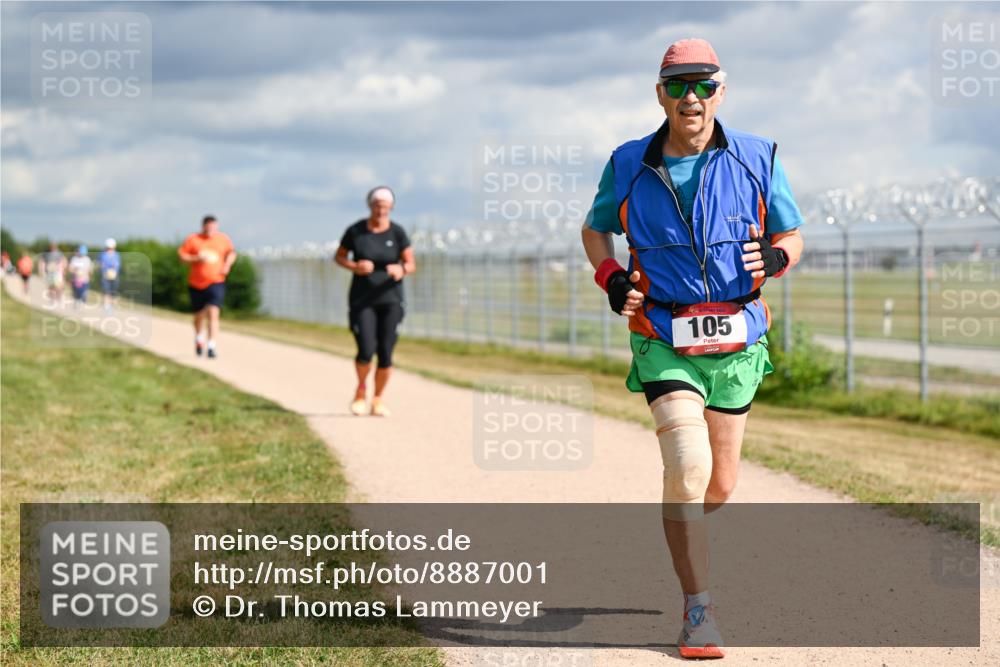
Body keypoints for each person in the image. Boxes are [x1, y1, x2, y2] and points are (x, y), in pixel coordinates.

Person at [581, 39, 804, 660]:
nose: (691, 97)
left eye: (703, 85)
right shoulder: (629, 162)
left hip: (737, 340)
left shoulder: (758, 157)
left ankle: (680, 528)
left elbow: (791, 233)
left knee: (719, 485)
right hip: (663, 337)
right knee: (687, 466)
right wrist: (612, 278)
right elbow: (596, 230)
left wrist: (778, 258)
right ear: (660, 95)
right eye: (678, 85)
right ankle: (698, 610)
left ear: (720, 92)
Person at [334, 186, 416, 417]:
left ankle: (378, 398)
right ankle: (361, 391)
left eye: (385, 207)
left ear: (391, 208)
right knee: (366, 349)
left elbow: (411, 263)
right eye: (378, 206)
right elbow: (339, 257)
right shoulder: (356, 231)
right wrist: (355, 266)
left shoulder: (397, 233)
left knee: (386, 351)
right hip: (363, 300)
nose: (381, 211)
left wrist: (401, 269)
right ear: (370, 206)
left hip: (391, 300)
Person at [178, 215, 236, 359]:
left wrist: (227, 265)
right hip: (196, 283)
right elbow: (182, 257)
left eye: (213, 226)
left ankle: (211, 346)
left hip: (216, 281)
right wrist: (196, 258)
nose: (211, 229)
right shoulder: (193, 239)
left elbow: (231, 253)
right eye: (209, 226)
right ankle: (199, 338)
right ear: (203, 226)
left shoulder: (222, 239)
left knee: (213, 312)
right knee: (199, 316)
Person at [100, 238, 122, 311]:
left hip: (115, 275)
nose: (110, 249)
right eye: (109, 248)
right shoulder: (103, 254)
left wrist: (114, 271)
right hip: (105, 275)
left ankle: (112, 305)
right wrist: (105, 271)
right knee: (106, 290)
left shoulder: (117, 255)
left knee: (113, 291)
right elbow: (102, 264)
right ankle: (106, 305)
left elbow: (118, 265)